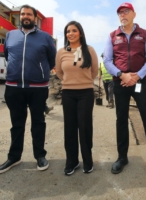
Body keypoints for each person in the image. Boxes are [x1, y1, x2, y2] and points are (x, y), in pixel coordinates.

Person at [103, 2, 146, 178]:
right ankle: (122, 157)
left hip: (139, 83)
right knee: (121, 120)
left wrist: (136, 76)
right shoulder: (112, 36)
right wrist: (122, 75)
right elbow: (107, 60)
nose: (123, 15)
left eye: (126, 11)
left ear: (134, 14)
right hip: (120, 83)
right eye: (120, 13)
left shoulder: (144, 34)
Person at [0, 5, 56, 174]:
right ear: (19, 17)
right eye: (23, 14)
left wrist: (39, 72)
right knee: (16, 124)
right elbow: (8, 56)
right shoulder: (10, 35)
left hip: (38, 88)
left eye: (29, 14)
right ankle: (14, 157)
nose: (25, 16)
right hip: (14, 87)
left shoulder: (45, 37)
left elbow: (52, 60)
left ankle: (40, 156)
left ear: (35, 18)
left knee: (38, 122)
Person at [55, 21, 98, 175]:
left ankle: (88, 161)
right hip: (68, 94)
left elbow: (94, 71)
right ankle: (72, 162)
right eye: (68, 31)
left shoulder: (89, 50)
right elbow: (59, 72)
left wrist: (84, 82)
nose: (70, 33)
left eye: (74, 30)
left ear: (80, 33)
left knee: (85, 127)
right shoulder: (61, 52)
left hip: (85, 93)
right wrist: (69, 82)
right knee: (70, 128)